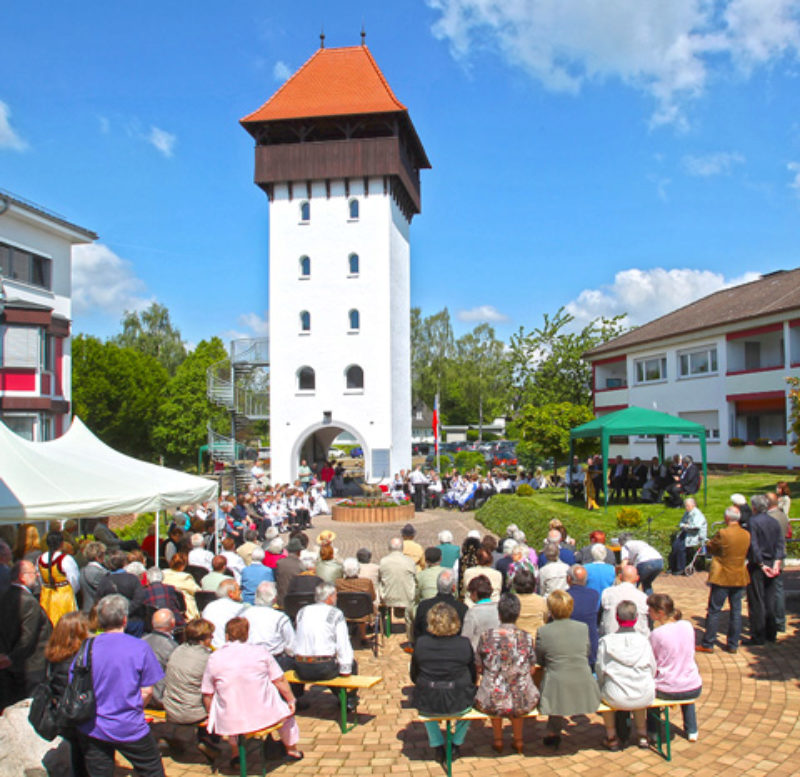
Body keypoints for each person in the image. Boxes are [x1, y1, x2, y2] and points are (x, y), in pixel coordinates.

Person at [75, 594, 165, 776]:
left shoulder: (86, 648)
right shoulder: (139, 647)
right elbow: (147, 691)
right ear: (125, 619)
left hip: (93, 726)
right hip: (129, 724)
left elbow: (76, 682)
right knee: (152, 769)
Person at [202, 617, 302, 768]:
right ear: (247, 634)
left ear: (227, 636)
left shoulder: (214, 657)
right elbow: (279, 680)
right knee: (287, 713)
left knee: (229, 701)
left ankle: (236, 753)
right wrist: (291, 700)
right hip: (264, 715)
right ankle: (291, 749)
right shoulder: (260, 652)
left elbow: (207, 692)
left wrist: (211, 714)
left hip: (230, 719)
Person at [411, 602, 476, 764]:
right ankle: (456, 743)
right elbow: (473, 675)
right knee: (469, 704)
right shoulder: (464, 644)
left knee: (425, 700)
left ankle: (438, 744)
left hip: (429, 700)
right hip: (459, 699)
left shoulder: (421, 643)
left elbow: (414, 675)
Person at [536, 590, 602, 748]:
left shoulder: (544, 631)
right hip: (582, 680)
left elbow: (540, 659)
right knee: (559, 676)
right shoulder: (582, 628)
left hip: (556, 685)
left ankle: (553, 732)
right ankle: (553, 731)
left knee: (555, 679)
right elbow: (586, 652)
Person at [474, 593, 539, 754]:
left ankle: (498, 739)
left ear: (499, 614)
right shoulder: (526, 637)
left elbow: (479, 666)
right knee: (516, 687)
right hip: (522, 699)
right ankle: (518, 740)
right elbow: (532, 666)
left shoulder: (486, 636)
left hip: (492, 699)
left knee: (495, 687)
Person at [595, 600, 657, 750]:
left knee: (602, 690)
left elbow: (599, 668)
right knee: (640, 685)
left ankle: (611, 737)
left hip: (615, 694)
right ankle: (642, 734)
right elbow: (652, 668)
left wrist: (603, 684)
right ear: (636, 618)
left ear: (617, 618)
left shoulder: (606, 641)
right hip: (643, 692)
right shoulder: (644, 641)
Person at [293, 582, 359, 711]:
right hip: (323, 667)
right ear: (329, 597)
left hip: (301, 666)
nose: (336, 598)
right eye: (335, 595)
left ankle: (297, 696)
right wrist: (346, 669)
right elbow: (343, 644)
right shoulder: (335, 613)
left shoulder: (302, 611)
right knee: (351, 664)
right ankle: (348, 700)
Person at [647, 593, 702, 741]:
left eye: (650, 610)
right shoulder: (687, 626)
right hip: (693, 686)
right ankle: (692, 730)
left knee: (650, 689)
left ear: (660, 613)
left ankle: (653, 732)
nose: (648, 613)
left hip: (667, 689)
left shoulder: (656, 634)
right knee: (686, 683)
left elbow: (653, 660)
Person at [0, 560, 53, 711]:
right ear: (22, 577)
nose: (37, 575)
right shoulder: (28, 601)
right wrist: (10, 658)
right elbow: (27, 638)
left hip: (12, 664)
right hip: (31, 664)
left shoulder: (5, 596)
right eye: (33, 573)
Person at [697, 506, 750, 653]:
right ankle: (733, 644)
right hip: (739, 575)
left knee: (714, 610)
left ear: (727, 518)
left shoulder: (723, 533)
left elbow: (711, 547)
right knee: (736, 611)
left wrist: (708, 543)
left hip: (722, 576)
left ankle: (708, 643)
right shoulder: (746, 534)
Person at [43, 611, 90, 776]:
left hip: (63, 716)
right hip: (81, 717)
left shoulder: (53, 655)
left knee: (77, 757)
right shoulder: (80, 661)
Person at [745, 494, 785, 645]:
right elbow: (780, 544)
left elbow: (754, 545)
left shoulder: (753, 522)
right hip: (772, 563)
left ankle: (758, 635)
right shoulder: (774, 522)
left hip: (758, 565)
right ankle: (771, 632)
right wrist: (776, 562)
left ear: (754, 507)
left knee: (756, 600)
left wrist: (761, 564)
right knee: (770, 599)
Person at [94, 550, 147, 636]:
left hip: (112, 621)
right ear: (125, 563)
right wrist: (126, 611)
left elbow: (98, 601)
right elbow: (140, 598)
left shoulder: (104, 581)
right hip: (133, 620)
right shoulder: (132, 578)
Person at [413, 568, 467, 641]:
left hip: (427, 648)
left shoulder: (423, 606)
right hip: (454, 649)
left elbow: (417, 633)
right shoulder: (462, 609)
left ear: (437, 586)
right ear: (454, 588)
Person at [38, 530, 80, 625]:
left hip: (46, 595)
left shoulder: (39, 559)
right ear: (62, 543)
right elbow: (74, 580)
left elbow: (40, 579)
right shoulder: (66, 559)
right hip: (63, 595)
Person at [335, 558, 377, 644]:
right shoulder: (366, 582)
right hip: (364, 613)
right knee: (361, 607)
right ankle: (363, 636)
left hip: (344, 612)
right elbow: (373, 597)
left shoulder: (338, 582)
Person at [565, 565, 600, 669]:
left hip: (570, 648)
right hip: (590, 646)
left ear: (569, 579)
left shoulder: (564, 597)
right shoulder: (594, 595)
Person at [142, 609, 178, 709]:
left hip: (141, 697)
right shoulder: (172, 647)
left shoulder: (141, 642)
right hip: (160, 699)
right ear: (172, 623)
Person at [600, 565, 649, 636]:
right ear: (637, 578)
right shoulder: (643, 597)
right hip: (637, 637)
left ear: (620, 577)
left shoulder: (607, 593)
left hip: (610, 636)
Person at [379, 537, 416, 624]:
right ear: (402, 548)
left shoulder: (383, 561)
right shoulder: (410, 561)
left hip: (388, 597)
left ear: (389, 548)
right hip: (407, 596)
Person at [202, 579, 248, 648]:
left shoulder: (208, 606)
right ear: (231, 593)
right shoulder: (239, 608)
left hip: (209, 647)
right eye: (238, 589)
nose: (240, 592)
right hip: (227, 649)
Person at [462, 575, 500, 651]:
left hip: (478, 653)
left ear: (474, 593)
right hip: (497, 651)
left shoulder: (472, 612)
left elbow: (466, 637)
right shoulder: (499, 609)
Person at [670, 498, 708, 574]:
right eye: (685, 506)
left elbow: (696, 527)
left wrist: (686, 526)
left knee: (681, 547)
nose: (686, 507)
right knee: (675, 545)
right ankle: (673, 567)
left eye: (687, 506)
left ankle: (681, 568)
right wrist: (685, 526)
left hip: (695, 535)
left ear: (693, 505)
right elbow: (681, 523)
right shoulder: (687, 513)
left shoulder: (697, 514)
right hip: (686, 533)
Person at [510, 568, 547, 641]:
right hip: (536, 639)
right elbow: (545, 618)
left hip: (517, 640)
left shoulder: (511, 601)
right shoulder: (541, 600)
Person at [162, 553, 200, 619]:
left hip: (166, 606)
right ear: (183, 565)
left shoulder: (163, 574)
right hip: (185, 613)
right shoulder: (186, 577)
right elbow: (197, 591)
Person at [79, 541, 109, 613]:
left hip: (87, 608)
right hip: (99, 611)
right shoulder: (100, 573)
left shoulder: (82, 570)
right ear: (98, 557)